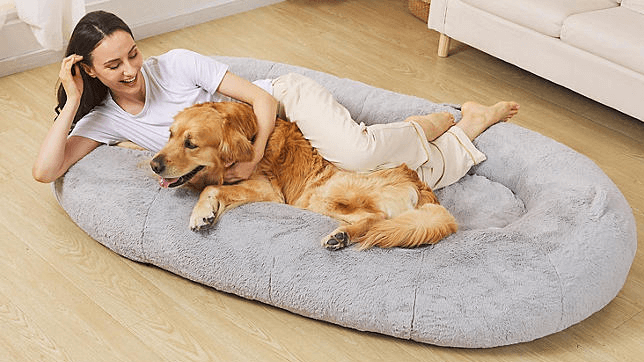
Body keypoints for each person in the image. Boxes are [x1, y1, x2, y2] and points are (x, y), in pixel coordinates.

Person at [32, 10, 519, 191]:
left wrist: (256, 156)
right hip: (251, 143)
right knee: (364, 180)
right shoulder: (104, 119)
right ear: (89, 69)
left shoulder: (175, 64)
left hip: (280, 104)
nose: (132, 71)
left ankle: (426, 125)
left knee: (355, 154)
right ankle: (466, 129)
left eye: (133, 54)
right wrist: (73, 99)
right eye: (113, 66)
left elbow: (260, 99)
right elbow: (46, 171)